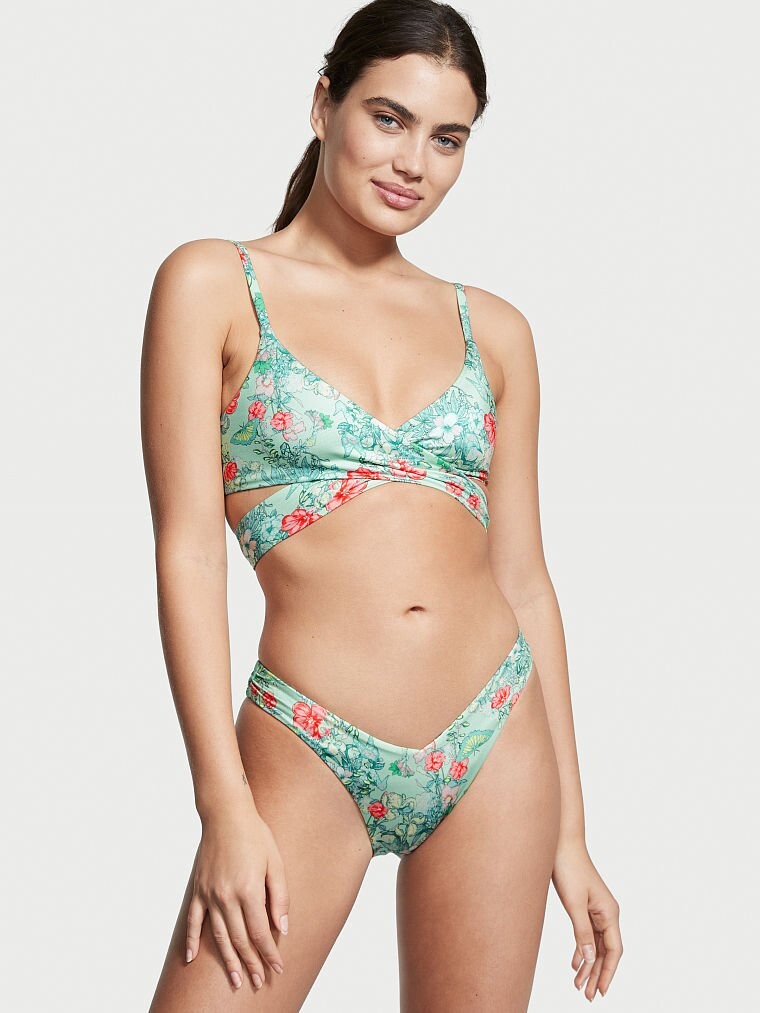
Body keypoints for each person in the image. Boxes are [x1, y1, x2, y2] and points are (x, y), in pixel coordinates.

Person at [142, 1, 623, 1008]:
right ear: (325, 104)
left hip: (498, 738)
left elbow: (524, 580)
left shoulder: (494, 329)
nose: (414, 163)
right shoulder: (214, 283)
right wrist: (222, 804)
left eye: (448, 138)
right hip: (307, 743)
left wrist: (572, 835)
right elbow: (188, 552)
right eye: (389, 118)